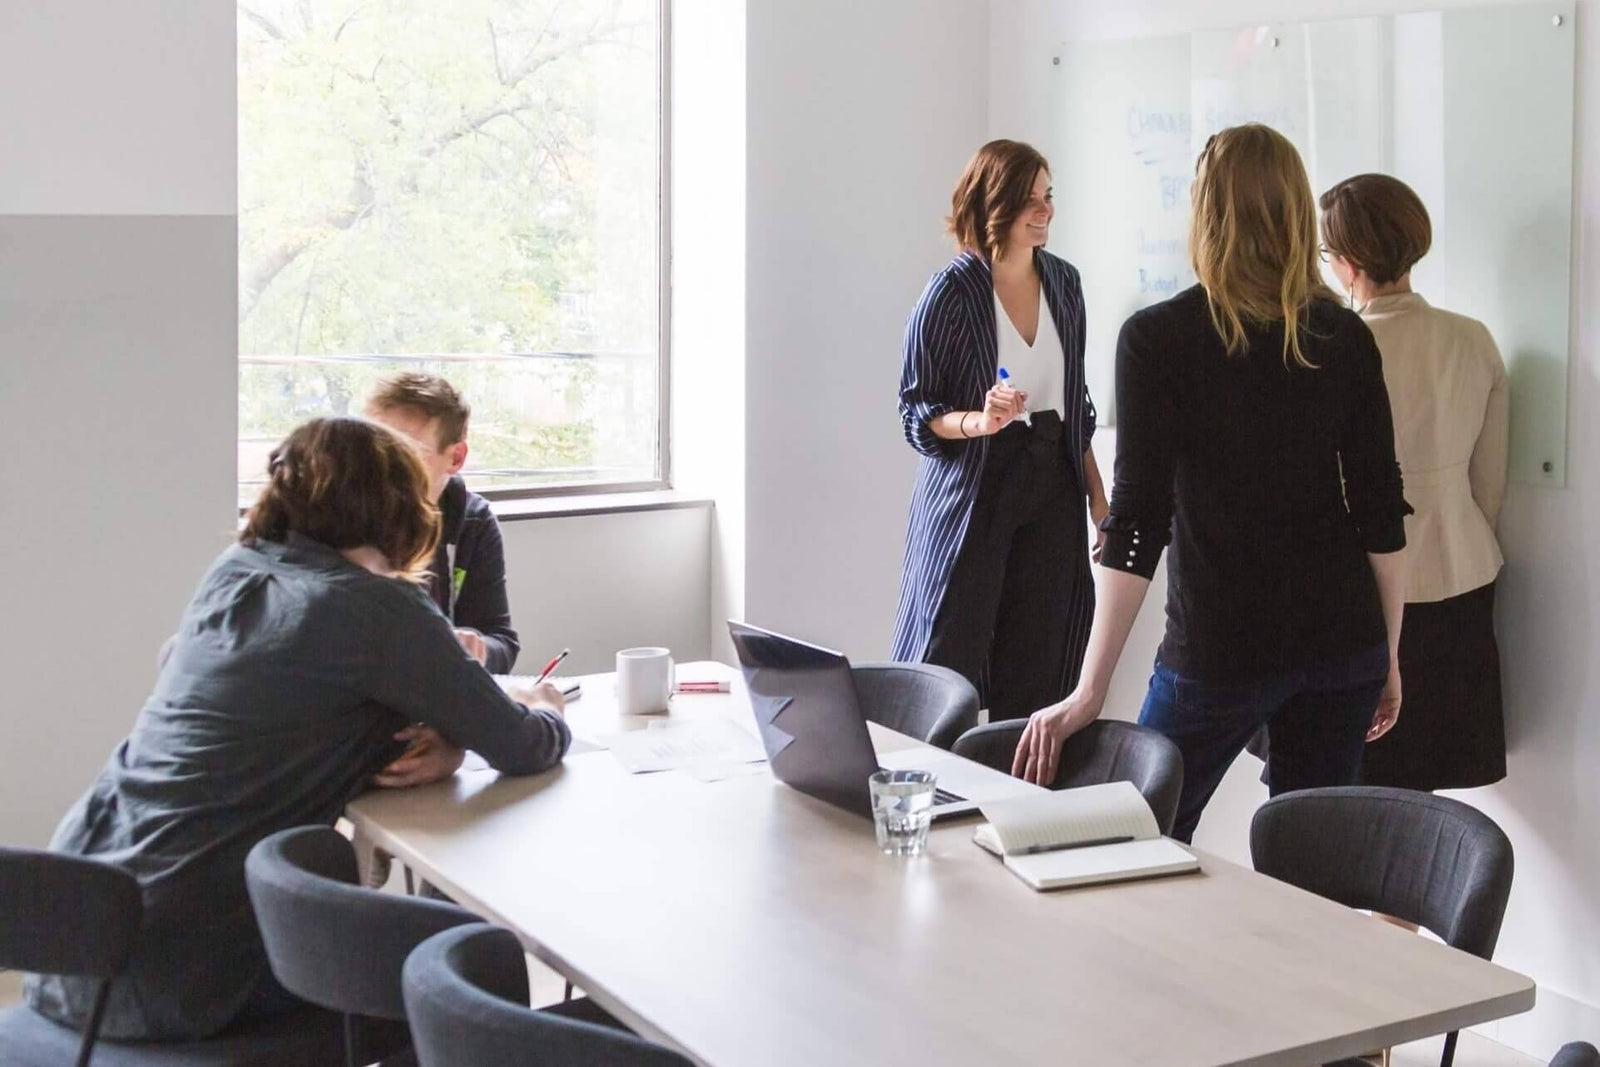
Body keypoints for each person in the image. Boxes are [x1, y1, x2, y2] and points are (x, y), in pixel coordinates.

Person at [25, 417, 570, 1041]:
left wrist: (443, 740)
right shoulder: (379, 609)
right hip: (182, 973)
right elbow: (522, 745)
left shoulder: (235, 570)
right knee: (474, 970)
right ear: (401, 505)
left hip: (76, 936)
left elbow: (273, 718)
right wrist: (544, 703)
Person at [1012, 124, 1412, 843]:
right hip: (1338, 643)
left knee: (1134, 844)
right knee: (1311, 880)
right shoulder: (1343, 336)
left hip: (1220, 646)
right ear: (1293, 214)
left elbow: (1136, 525)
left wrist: (1090, 687)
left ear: (1204, 213)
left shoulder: (1158, 339)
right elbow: (1381, 515)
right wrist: (1387, 653)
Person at [892, 139, 1107, 721]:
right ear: (994, 205)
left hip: (1052, 487)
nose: (1045, 211)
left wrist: (1099, 502)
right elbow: (917, 412)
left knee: (1041, 667)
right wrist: (980, 422)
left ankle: (1022, 804)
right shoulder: (952, 293)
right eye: (1029, 200)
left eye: (1048, 196)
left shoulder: (1064, 283)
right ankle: (928, 799)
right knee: (945, 663)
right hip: (974, 490)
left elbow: (1075, 406)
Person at [1320, 173, 1508, 791]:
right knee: (1427, 784)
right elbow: (1490, 486)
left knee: (1348, 785)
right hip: (1460, 573)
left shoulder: (1336, 345)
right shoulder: (1473, 338)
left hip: (1361, 584)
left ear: (1347, 264)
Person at [365, 372, 519, 673]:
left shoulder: (472, 521)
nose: (386, 468)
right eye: (375, 450)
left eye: (409, 453)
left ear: (455, 458)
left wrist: (477, 647)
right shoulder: (339, 519)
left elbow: (502, 642)